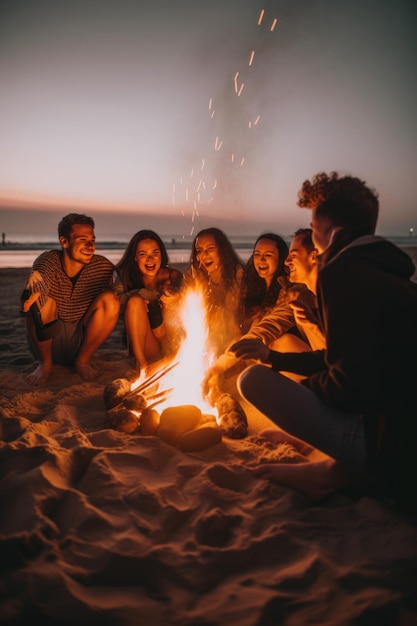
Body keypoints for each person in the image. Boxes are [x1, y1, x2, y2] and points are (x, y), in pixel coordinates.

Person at [230, 172, 417, 511]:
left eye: (314, 232)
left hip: (392, 454)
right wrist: (274, 357)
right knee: (274, 367)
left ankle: (335, 473)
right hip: (400, 436)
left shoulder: (339, 273)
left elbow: (347, 389)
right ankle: (331, 466)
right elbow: (348, 359)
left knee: (252, 381)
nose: (314, 244)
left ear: (333, 234)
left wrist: (303, 399)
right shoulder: (391, 272)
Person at [21, 213, 120, 386]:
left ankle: (82, 362)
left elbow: (121, 286)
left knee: (111, 300)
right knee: (41, 301)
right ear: (64, 241)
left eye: (92, 240)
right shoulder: (48, 261)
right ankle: (45, 364)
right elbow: (40, 281)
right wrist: (32, 294)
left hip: (80, 341)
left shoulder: (102, 266)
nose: (90, 245)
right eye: (82, 239)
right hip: (48, 340)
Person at [115, 230, 184, 374]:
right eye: (143, 254)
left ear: (161, 254)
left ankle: (169, 360)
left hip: (172, 342)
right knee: (135, 302)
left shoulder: (172, 276)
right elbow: (115, 300)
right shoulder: (126, 276)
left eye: (155, 253)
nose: (150, 259)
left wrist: (171, 296)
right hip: (147, 344)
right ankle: (141, 365)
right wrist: (141, 293)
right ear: (134, 257)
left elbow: (188, 296)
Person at [186, 227, 245, 358]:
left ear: (222, 251)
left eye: (210, 249)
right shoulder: (196, 276)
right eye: (199, 250)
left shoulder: (237, 274)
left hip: (236, 333)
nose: (205, 254)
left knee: (218, 314)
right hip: (209, 336)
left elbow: (232, 315)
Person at [285, 228, 326, 351]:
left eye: (293, 255)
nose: (286, 262)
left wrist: (313, 326)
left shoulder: (337, 298)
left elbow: (345, 357)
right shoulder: (307, 300)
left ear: (313, 256)